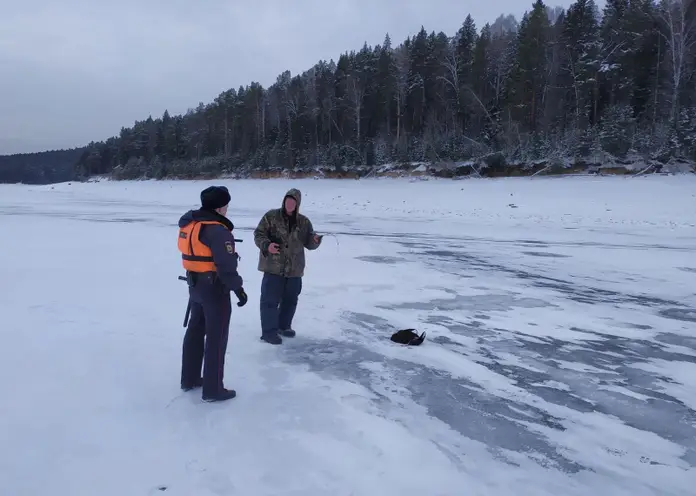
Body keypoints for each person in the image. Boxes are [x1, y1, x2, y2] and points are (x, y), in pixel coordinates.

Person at [177, 185, 248, 402]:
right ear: (219, 207)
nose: (227, 208)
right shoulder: (218, 231)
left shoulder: (191, 223)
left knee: (195, 331)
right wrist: (239, 289)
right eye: (226, 205)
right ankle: (213, 388)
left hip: (195, 285)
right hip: (214, 287)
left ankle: (189, 379)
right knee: (216, 338)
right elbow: (226, 266)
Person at [253, 188, 322, 344]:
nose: (290, 203)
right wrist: (267, 245)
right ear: (284, 201)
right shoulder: (271, 216)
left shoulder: (304, 222)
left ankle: (284, 326)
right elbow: (258, 234)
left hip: (295, 269)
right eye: (287, 200)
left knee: (290, 300)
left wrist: (315, 241)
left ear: (297, 204)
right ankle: (269, 332)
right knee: (270, 301)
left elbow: (309, 243)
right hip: (273, 268)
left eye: (293, 201)